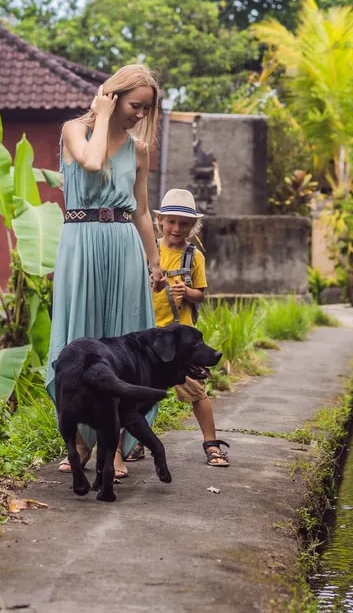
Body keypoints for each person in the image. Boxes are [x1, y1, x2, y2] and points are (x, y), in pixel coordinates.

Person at [45, 63, 166, 481]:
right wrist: (100, 114)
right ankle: (77, 442)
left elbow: (143, 211)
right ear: (113, 97)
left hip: (123, 245)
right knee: (77, 338)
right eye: (136, 106)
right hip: (80, 242)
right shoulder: (74, 131)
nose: (140, 116)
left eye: (147, 109)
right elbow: (93, 163)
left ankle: (111, 450)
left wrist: (155, 263)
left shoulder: (140, 149)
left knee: (122, 345)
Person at [127, 188, 230, 467]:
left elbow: (201, 295)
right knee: (140, 393)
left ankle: (211, 443)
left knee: (196, 392)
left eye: (184, 224)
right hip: (151, 337)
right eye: (171, 222)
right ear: (160, 221)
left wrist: (187, 292)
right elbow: (137, 287)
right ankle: (135, 442)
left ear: (192, 226)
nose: (177, 228)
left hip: (182, 341)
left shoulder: (194, 257)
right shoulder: (149, 250)